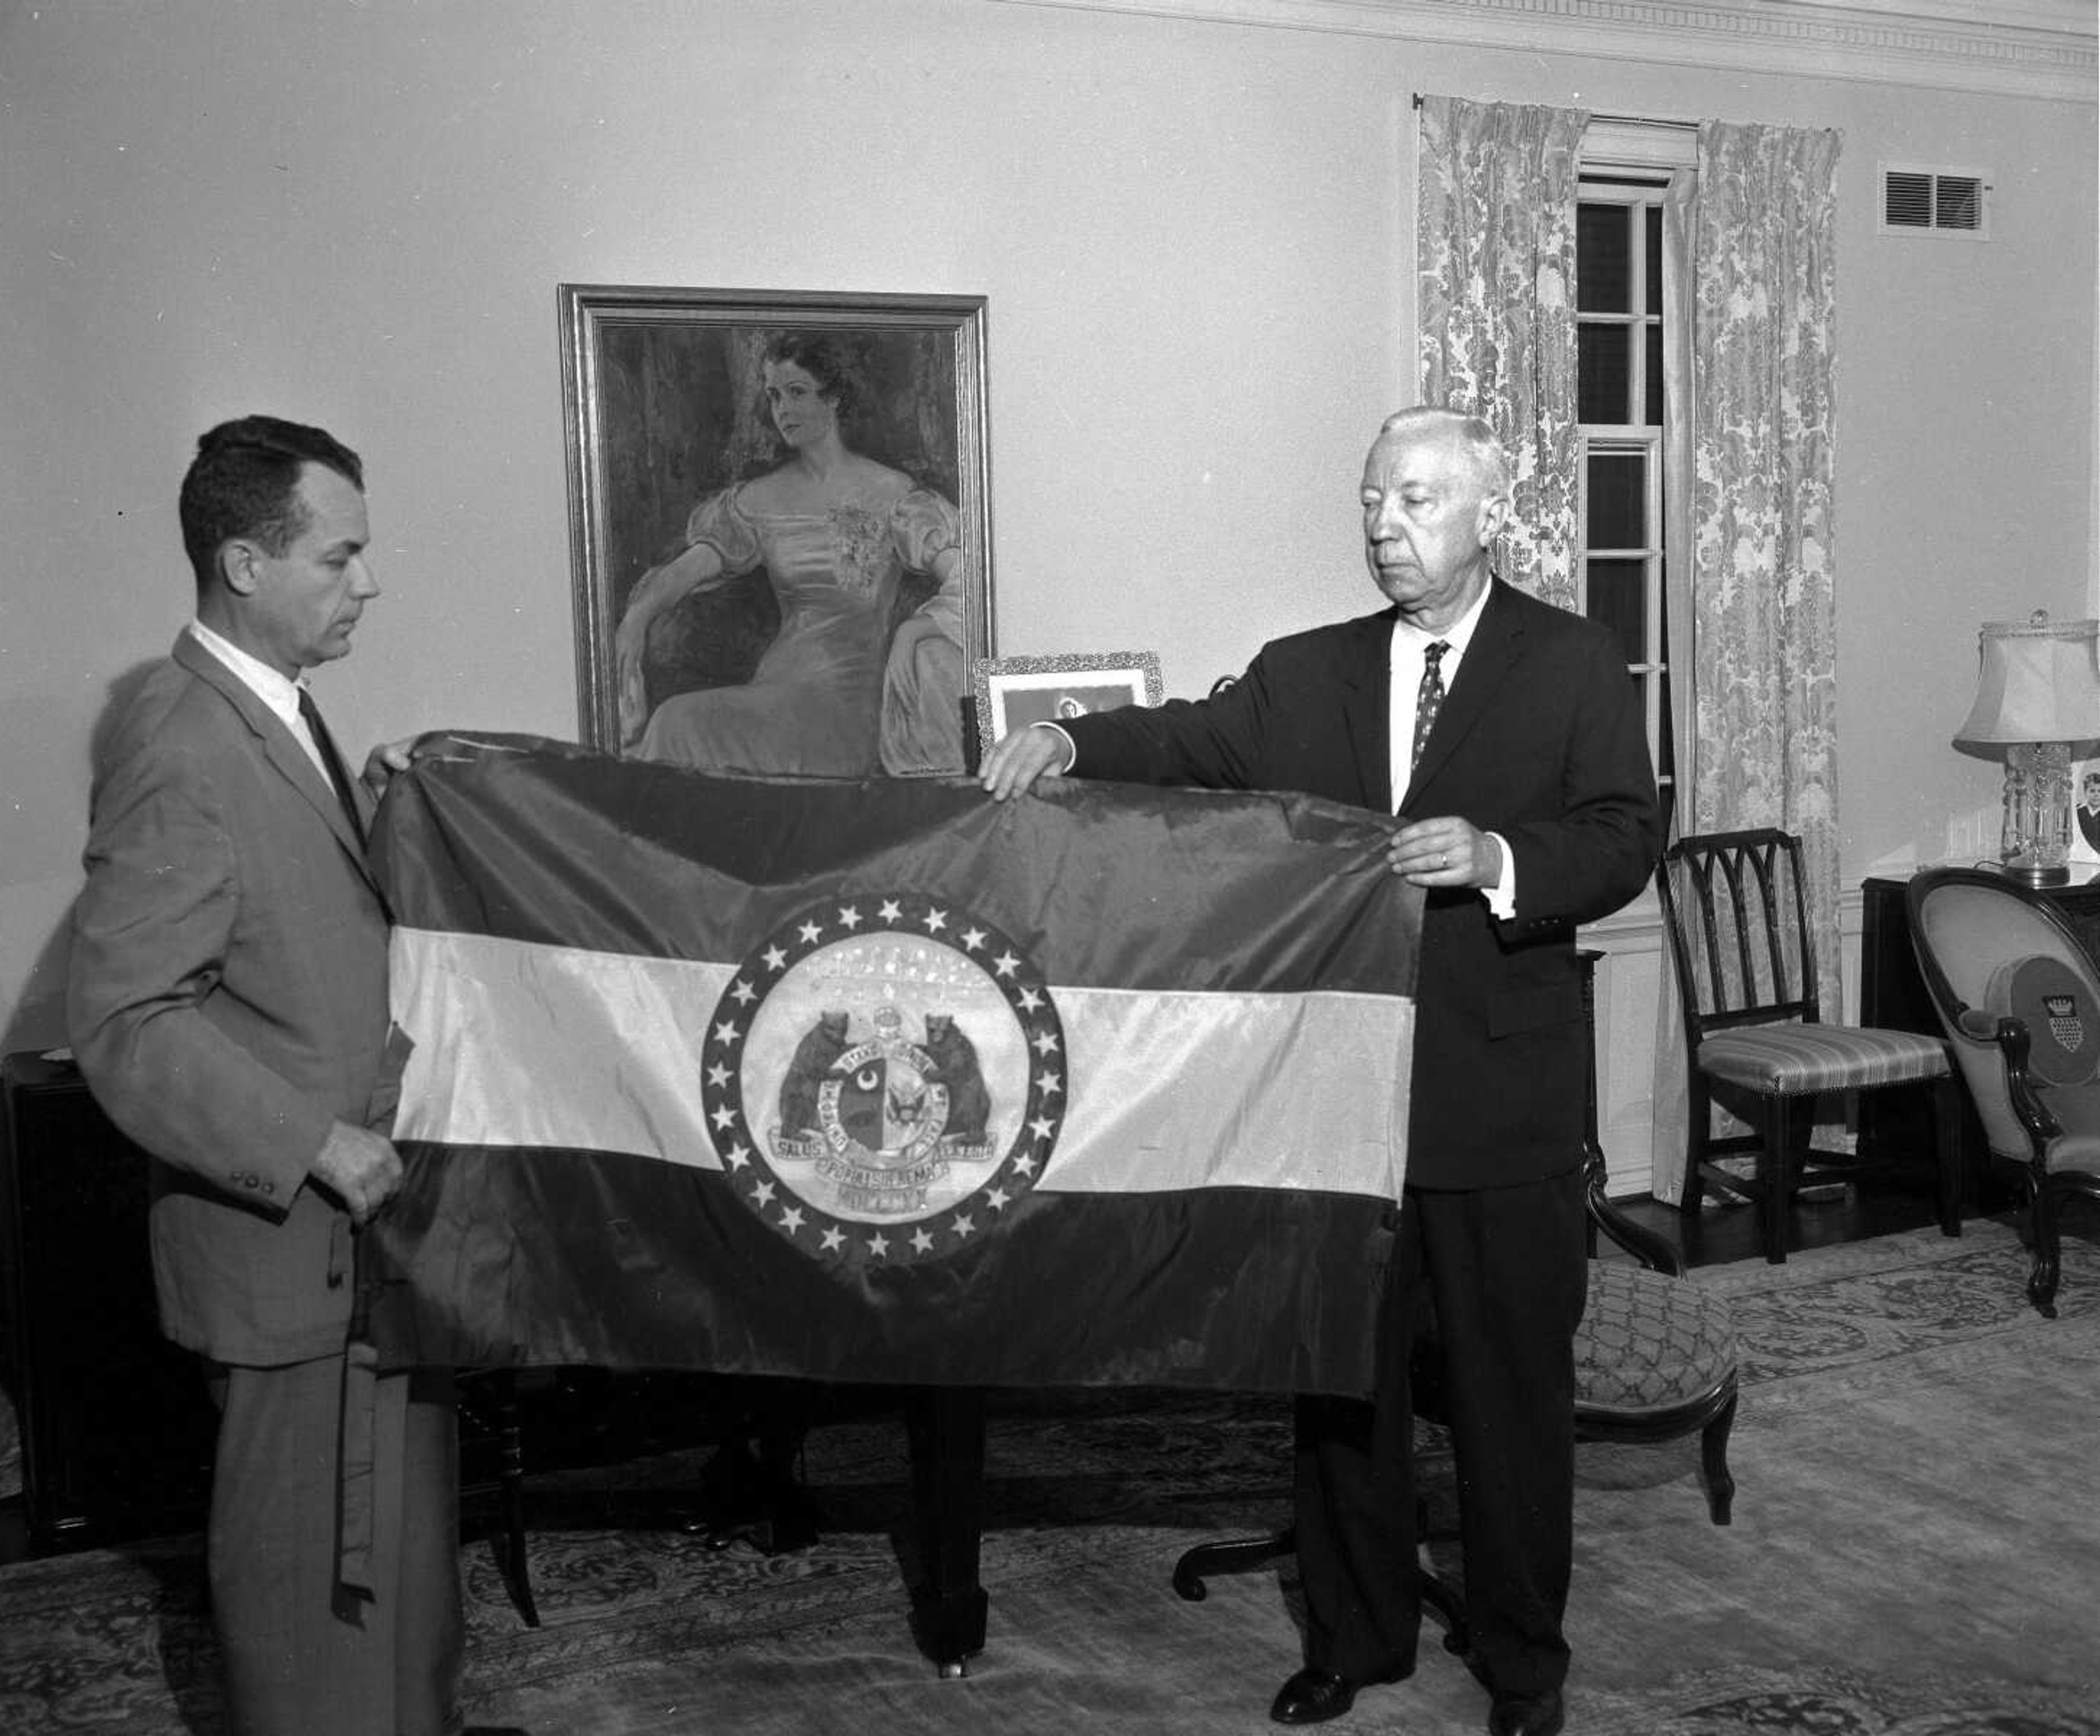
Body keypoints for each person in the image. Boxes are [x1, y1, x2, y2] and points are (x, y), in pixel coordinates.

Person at [980, 406, 1661, 1736]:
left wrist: (1497, 860)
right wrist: (1068, 741)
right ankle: (1356, 1640)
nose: (1384, 529)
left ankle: (1524, 1665)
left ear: (1483, 513)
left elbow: (1624, 838)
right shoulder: (1308, 674)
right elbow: (1186, 740)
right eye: (1368, 505)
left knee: (1507, 1402)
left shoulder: (1572, 664)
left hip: (1501, 1101)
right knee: (1341, 1384)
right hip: (1337, 1098)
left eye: (1412, 503)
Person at [67, 417, 476, 1735]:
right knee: (312, 1631)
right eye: (341, 556)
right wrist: (313, 1140)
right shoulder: (180, 740)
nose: (368, 585)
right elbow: (127, 1020)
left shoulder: (271, 713)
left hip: (357, 1261)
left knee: (392, 1617)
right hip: (292, 1246)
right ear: (245, 562)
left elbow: (278, 915)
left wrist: (380, 811)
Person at [611, 331, 969, 778]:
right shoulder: (762, 499)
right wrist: (636, 619)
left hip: (848, 704)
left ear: (834, 397)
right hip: (777, 686)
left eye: (797, 393)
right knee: (677, 722)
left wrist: (918, 628)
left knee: (678, 721)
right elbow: (686, 570)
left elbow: (971, 579)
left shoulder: (895, 496)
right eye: (775, 395)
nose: (783, 410)